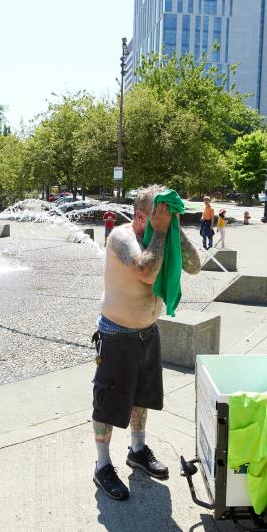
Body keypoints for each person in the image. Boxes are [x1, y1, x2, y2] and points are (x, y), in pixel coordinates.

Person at [92, 184, 202, 501]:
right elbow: (145, 270)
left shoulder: (165, 234)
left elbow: (195, 266)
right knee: (108, 403)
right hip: (117, 334)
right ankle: (102, 466)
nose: (166, 218)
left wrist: (175, 229)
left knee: (142, 397)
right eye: (160, 212)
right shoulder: (122, 237)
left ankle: (137, 450)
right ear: (142, 215)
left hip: (147, 332)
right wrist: (162, 231)